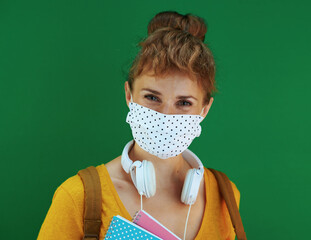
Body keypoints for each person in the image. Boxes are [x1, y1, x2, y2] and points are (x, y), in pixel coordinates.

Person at [37, 11, 241, 240]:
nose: (166, 115)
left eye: (184, 103)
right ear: (129, 95)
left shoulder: (226, 197)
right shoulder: (78, 198)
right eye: (152, 98)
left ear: (204, 109)